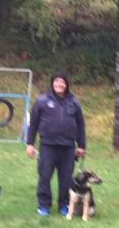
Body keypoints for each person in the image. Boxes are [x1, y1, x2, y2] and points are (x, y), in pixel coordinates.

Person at [26, 71, 86, 217]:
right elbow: (33, 123)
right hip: (48, 145)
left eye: (62, 82)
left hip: (68, 147)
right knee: (44, 176)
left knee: (66, 178)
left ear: (66, 85)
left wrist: (81, 145)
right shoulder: (42, 100)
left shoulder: (73, 102)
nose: (60, 84)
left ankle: (64, 204)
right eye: (57, 81)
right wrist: (30, 143)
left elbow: (80, 124)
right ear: (52, 83)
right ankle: (44, 205)